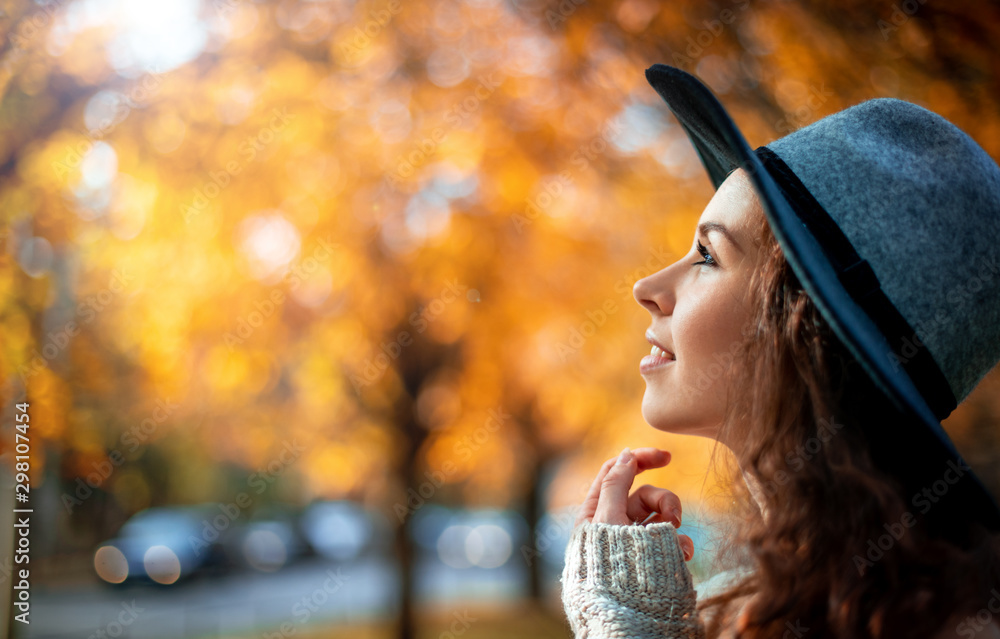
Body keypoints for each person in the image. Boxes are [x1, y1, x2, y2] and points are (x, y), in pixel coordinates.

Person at [559, 63, 1000, 639]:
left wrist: (623, 629)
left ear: (804, 331)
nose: (647, 289)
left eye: (708, 257)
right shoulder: (720, 610)